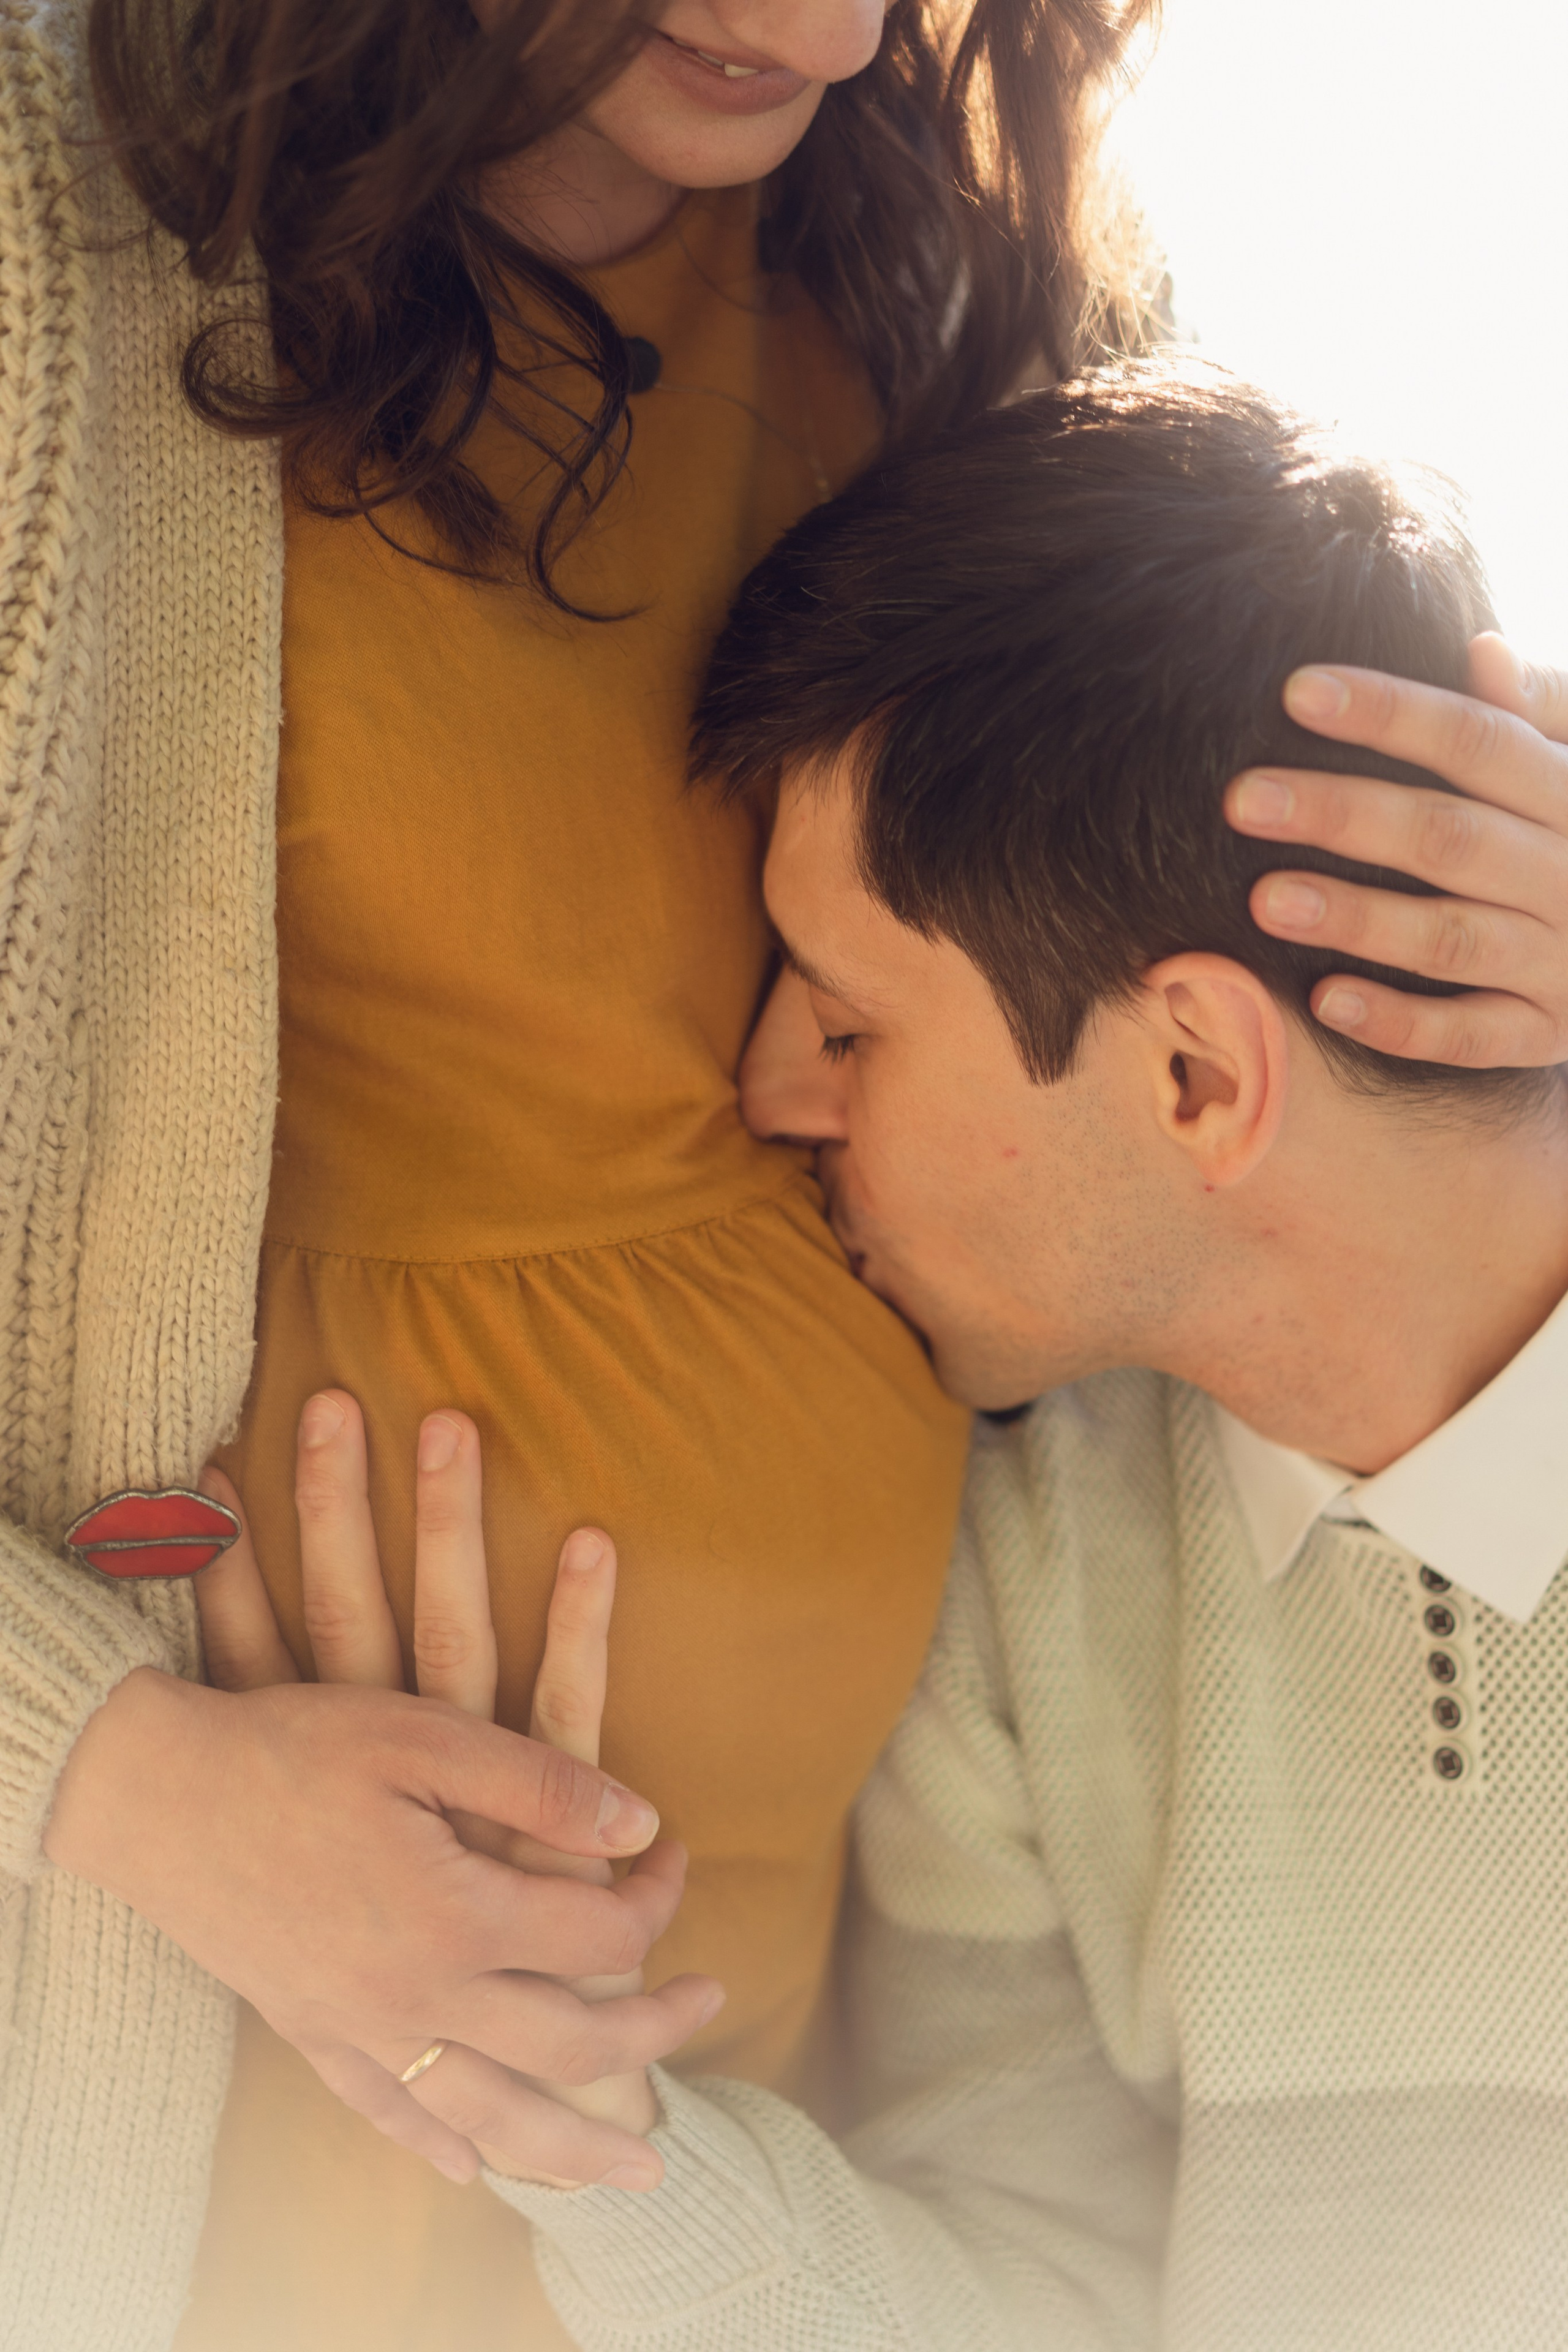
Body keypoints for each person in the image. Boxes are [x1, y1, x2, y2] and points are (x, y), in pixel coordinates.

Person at [5, 0, 1567, 2339]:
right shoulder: (60, 251)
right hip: (253, 2042)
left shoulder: (969, 267)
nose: (832, 31)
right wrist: (107, 1774)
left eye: (836, 1019)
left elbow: (1179, 707)